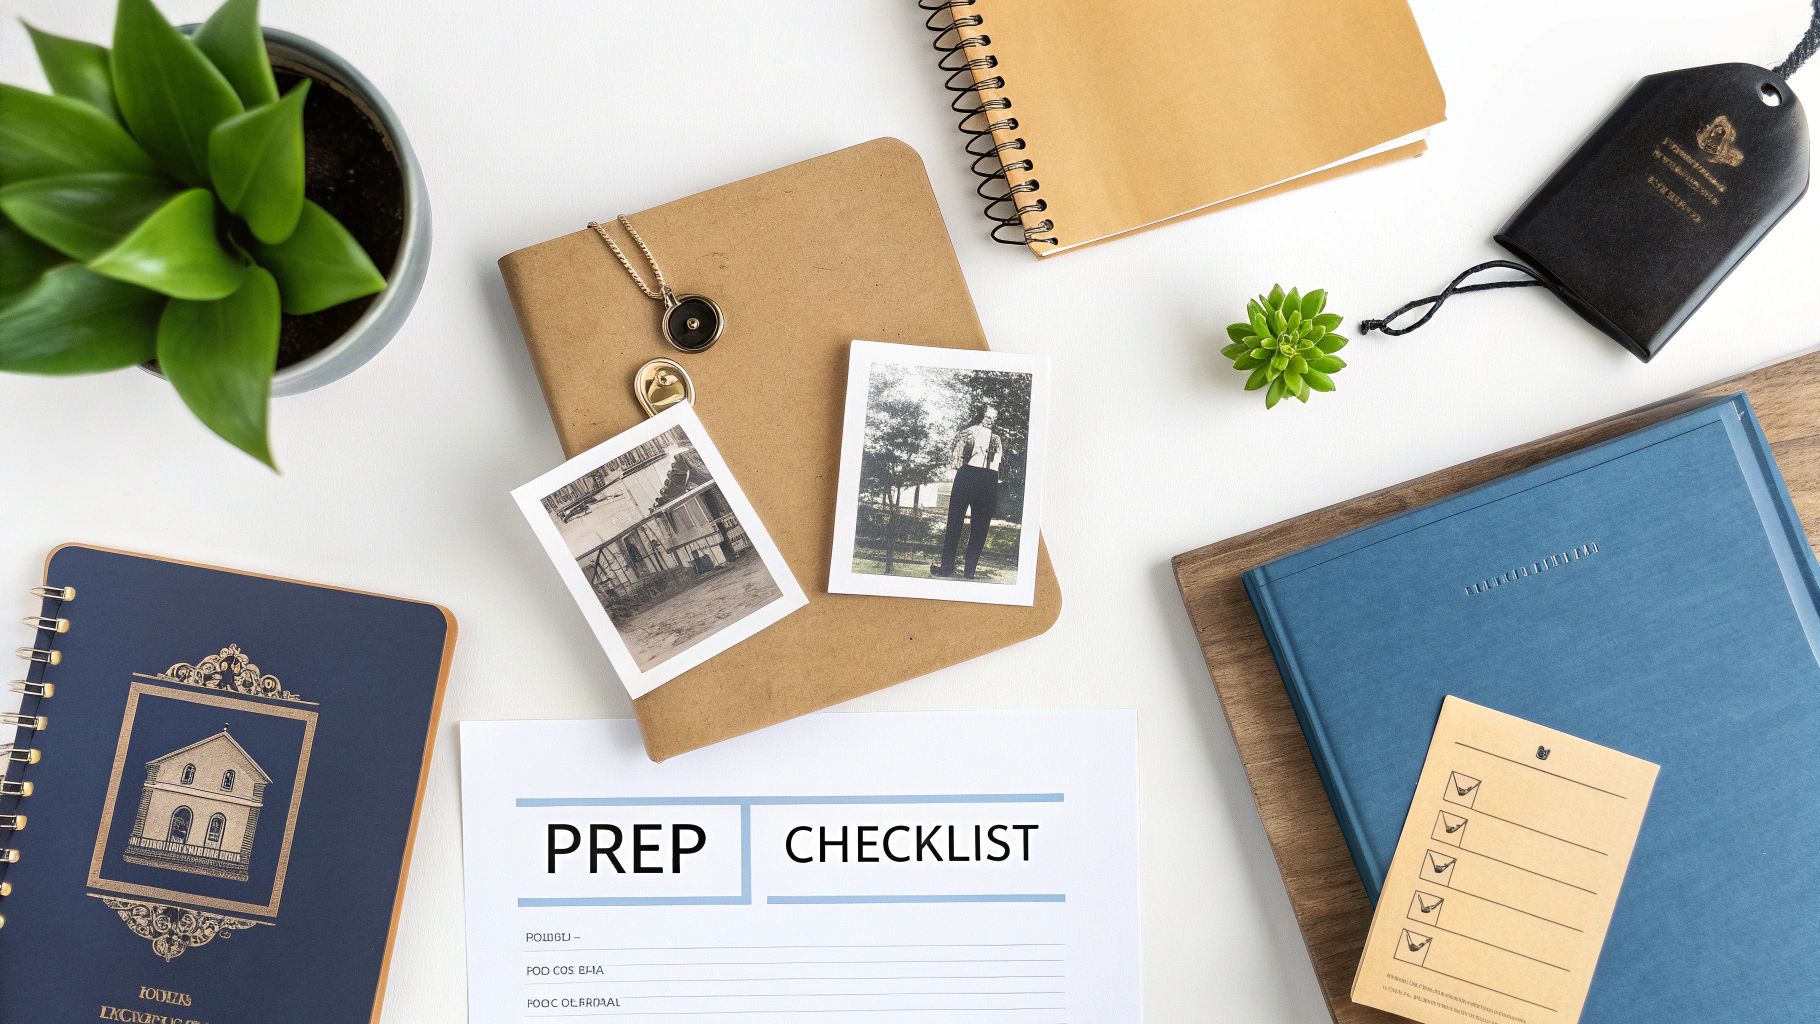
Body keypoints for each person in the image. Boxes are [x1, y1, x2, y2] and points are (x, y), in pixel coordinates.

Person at [931, 404, 1005, 580]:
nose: (991, 420)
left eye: (994, 418)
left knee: (981, 526)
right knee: (954, 521)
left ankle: (969, 571)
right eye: (988, 416)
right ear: (981, 415)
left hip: (989, 478)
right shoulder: (967, 433)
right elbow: (955, 460)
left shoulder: (997, 439)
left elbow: (998, 464)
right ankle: (947, 567)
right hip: (967, 475)